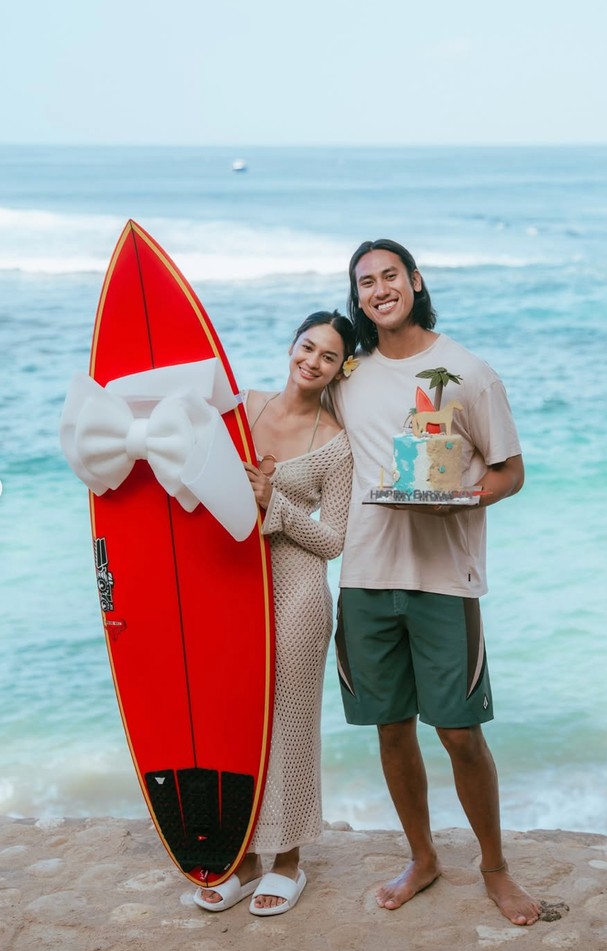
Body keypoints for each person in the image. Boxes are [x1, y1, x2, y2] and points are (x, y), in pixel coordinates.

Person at [331, 239, 541, 926]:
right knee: (391, 730)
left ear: (416, 282)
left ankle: (495, 866)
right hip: (364, 577)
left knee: (458, 732)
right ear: (358, 297)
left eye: (390, 275)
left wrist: (466, 497)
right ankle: (422, 856)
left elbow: (511, 471)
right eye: (365, 282)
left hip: (446, 578)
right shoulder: (349, 373)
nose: (378, 288)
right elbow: (300, 418)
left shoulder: (469, 372)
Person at [194, 310, 355, 916]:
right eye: (307, 347)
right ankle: (241, 856)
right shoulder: (241, 408)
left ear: (341, 369)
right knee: (232, 719)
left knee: (286, 725)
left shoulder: (337, 443)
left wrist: (274, 502)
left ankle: (288, 861)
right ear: (292, 345)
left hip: (297, 592)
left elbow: (334, 538)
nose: (311, 362)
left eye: (328, 357)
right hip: (231, 586)